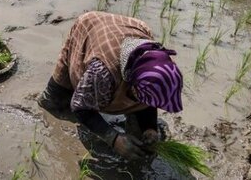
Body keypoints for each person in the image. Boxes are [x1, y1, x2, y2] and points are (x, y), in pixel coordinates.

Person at [37, 11, 183, 161]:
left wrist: (150, 128)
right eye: (142, 96)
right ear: (132, 84)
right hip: (90, 26)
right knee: (53, 102)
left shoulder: (155, 66)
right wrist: (113, 138)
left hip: (131, 29)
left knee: (140, 136)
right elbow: (80, 106)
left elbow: (151, 100)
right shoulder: (103, 72)